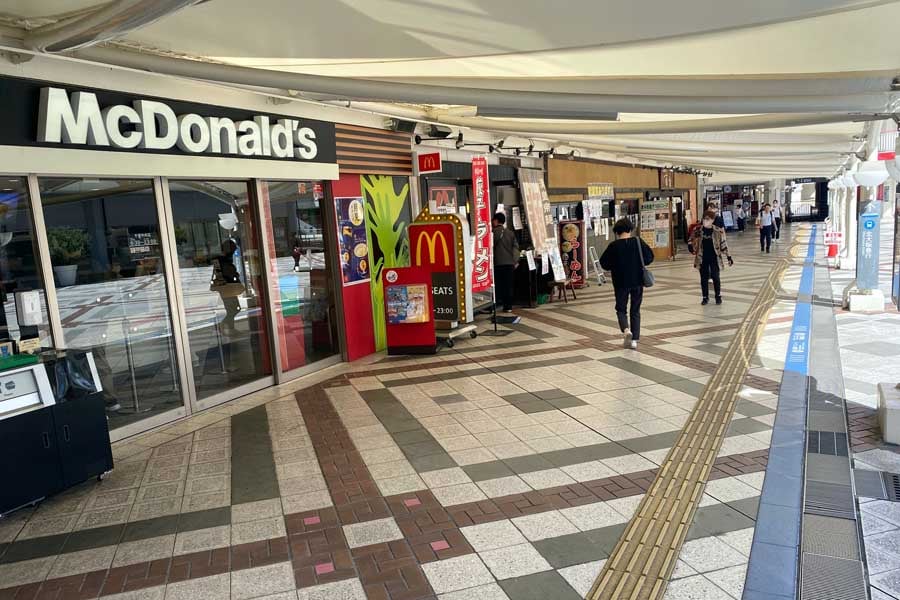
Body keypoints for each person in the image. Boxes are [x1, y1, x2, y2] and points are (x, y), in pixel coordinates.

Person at [599, 218, 654, 350]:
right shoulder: (638, 242)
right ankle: (634, 340)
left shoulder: (614, 246)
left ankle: (626, 330)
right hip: (637, 281)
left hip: (620, 282)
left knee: (621, 309)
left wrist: (616, 265)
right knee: (635, 310)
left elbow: (604, 263)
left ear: (617, 232)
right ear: (630, 230)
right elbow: (649, 257)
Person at [689, 210, 733, 305]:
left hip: (714, 257)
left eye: (708, 219)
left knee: (715, 277)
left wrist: (729, 257)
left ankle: (718, 296)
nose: (705, 221)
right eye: (704, 219)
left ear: (712, 220)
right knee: (703, 278)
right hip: (702, 257)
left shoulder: (718, 231)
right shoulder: (698, 230)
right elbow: (691, 239)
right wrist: (690, 245)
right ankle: (705, 297)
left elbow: (724, 244)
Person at [492, 212, 519, 313]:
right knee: (508, 285)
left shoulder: (492, 233)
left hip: (497, 263)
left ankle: (498, 303)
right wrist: (515, 261)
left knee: (498, 284)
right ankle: (508, 306)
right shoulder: (510, 233)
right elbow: (516, 248)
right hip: (509, 264)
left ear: (496, 220)